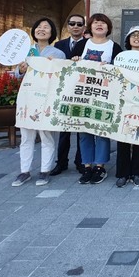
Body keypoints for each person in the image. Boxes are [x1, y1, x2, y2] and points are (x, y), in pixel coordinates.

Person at [12, 18, 66, 187]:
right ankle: (24, 171)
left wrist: (52, 66)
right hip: (27, 97)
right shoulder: (26, 51)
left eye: (46, 27)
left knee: (46, 135)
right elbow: (15, 74)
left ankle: (45, 170)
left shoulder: (57, 53)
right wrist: (20, 70)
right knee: (26, 136)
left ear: (52, 33)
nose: (41, 29)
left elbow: (63, 74)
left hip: (47, 98)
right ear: (34, 31)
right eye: (39, 27)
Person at [71, 13, 123, 185]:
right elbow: (70, 65)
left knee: (101, 131)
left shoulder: (114, 47)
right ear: (90, 27)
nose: (99, 25)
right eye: (96, 22)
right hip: (83, 95)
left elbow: (120, 70)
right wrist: (75, 60)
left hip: (104, 95)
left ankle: (100, 167)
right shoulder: (81, 45)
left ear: (108, 28)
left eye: (103, 23)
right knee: (84, 131)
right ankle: (87, 166)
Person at [115, 26, 139, 188]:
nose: (136, 38)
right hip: (123, 101)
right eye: (133, 36)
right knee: (122, 137)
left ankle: (138, 172)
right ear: (128, 40)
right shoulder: (120, 59)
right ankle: (123, 173)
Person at [50, 13, 85, 177]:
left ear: (84, 27)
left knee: (80, 130)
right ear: (68, 26)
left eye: (79, 24)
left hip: (82, 91)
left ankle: (80, 162)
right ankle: (61, 162)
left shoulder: (88, 44)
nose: (76, 26)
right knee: (63, 130)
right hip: (64, 91)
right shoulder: (59, 45)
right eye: (72, 23)